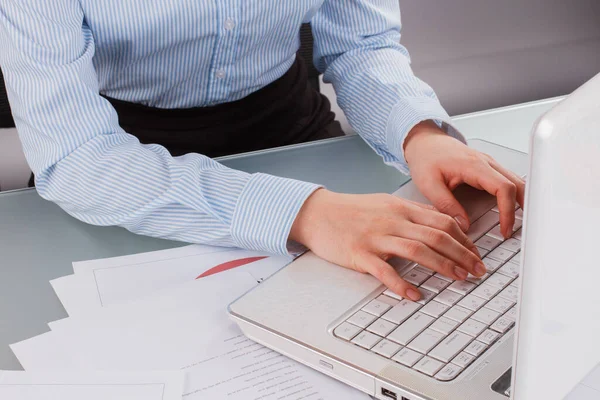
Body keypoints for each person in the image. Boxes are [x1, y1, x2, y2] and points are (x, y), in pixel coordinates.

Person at [0, 1, 524, 301]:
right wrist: (304, 212)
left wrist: (418, 134)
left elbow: (361, 44)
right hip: (121, 156)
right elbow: (76, 157)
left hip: (289, 127)